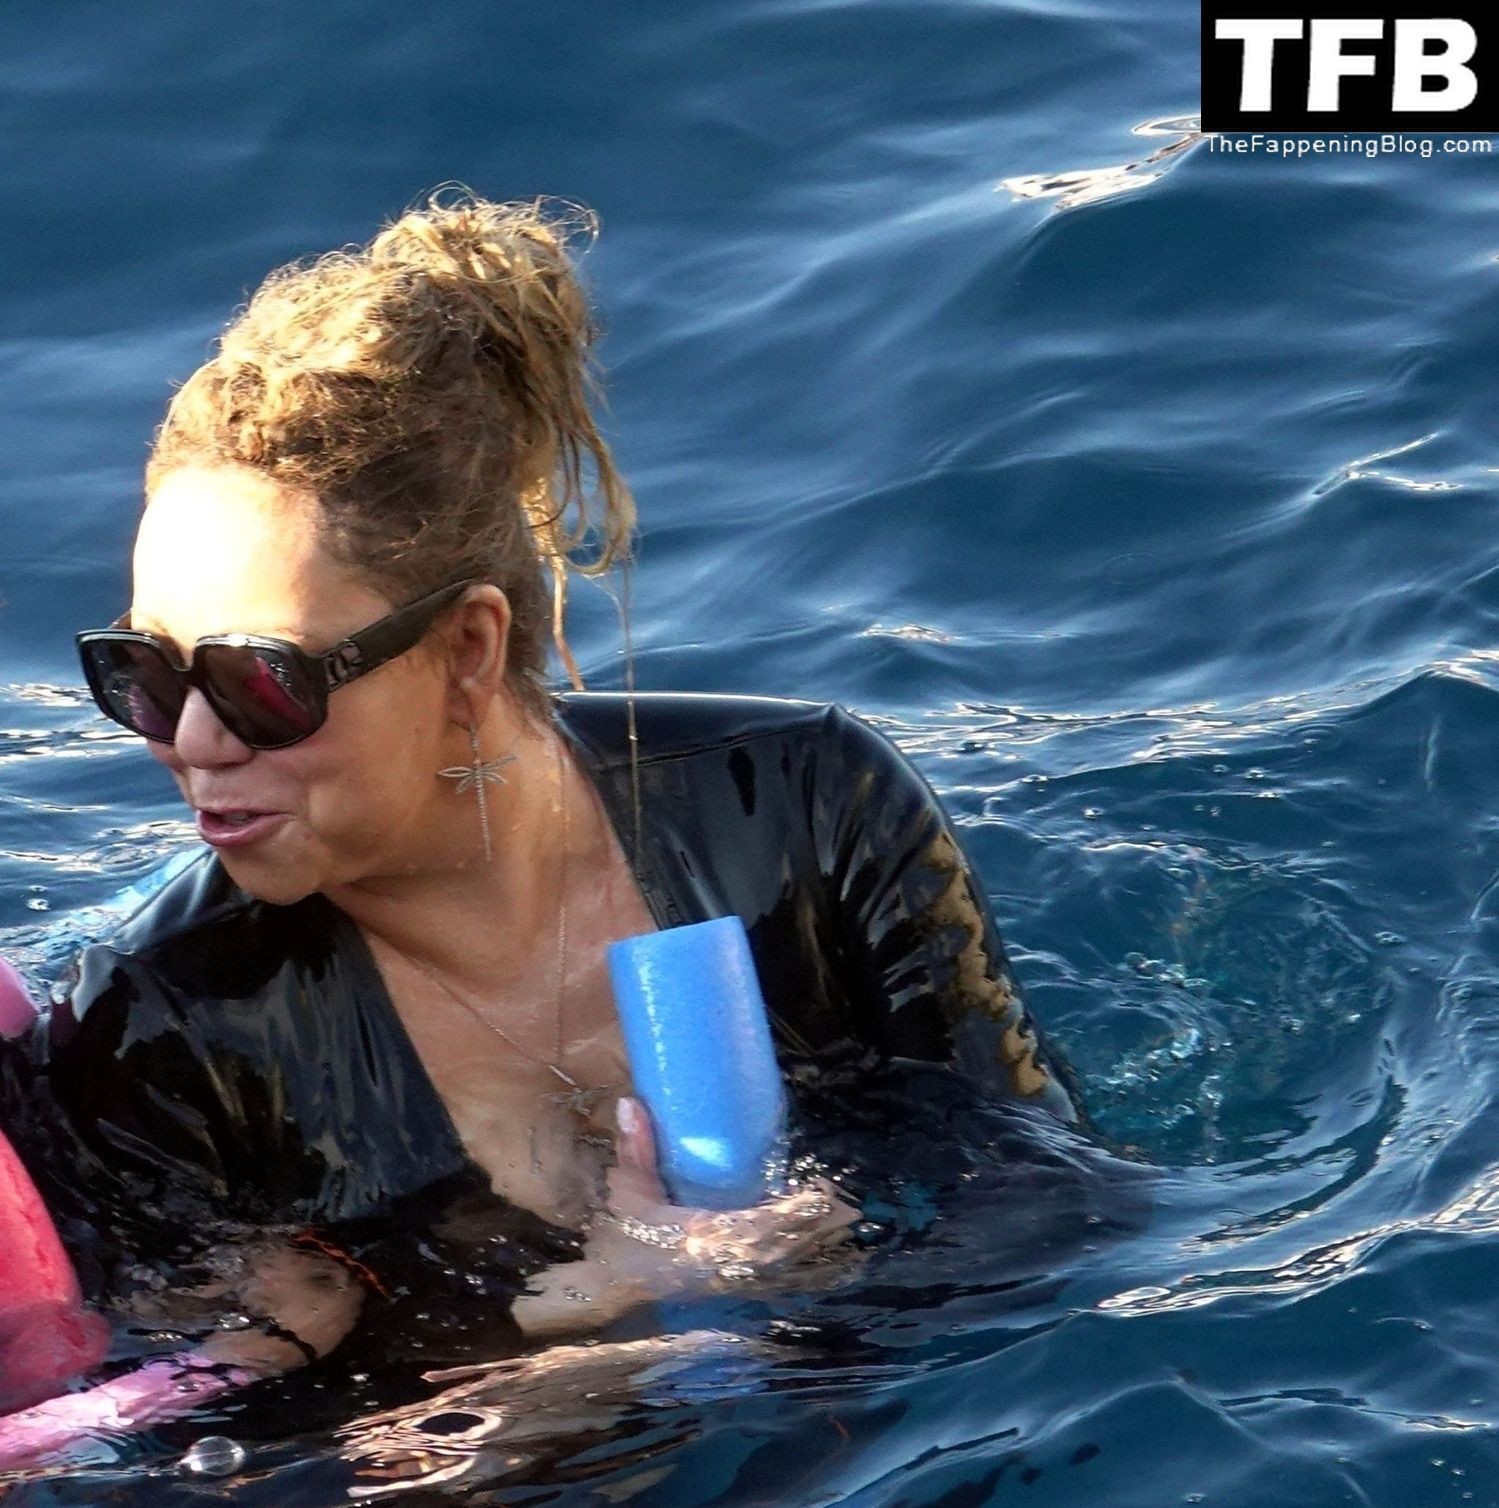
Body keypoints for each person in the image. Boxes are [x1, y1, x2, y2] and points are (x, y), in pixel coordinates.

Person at [0, 188, 1093, 1428]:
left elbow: (1044, 1211)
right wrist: (597, 1348)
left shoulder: (800, 809)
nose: (189, 741)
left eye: (261, 681)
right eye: (140, 673)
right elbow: (232, 1457)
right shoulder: (165, 1024)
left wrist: (818, 1267)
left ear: (467, 648)